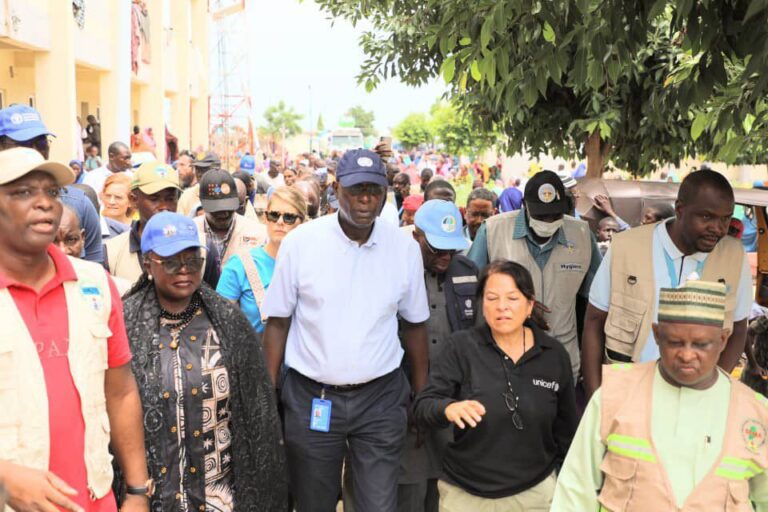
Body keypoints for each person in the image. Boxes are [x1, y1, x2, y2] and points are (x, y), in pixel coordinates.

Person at [262, 148, 429, 512]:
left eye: (374, 189)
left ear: (386, 191)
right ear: (336, 190)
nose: (366, 198)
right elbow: (277, 323)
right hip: (312, 398)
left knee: (379, 505)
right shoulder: (301, 244)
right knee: (313, 503)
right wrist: (269, 394)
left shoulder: (403, 247)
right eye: (356, 189)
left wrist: (421, 395)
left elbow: (415, 326)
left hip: (381, 399)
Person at [0, 147, 149, 512]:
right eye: (23, 192)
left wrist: (137, 492)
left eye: (51, 192)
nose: (45, 204)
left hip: (94, 499)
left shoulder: (95, 283)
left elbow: (121, 391)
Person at [552, 280, 768, 511]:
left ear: (723, 339)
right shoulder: (615, 395)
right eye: (675, 342)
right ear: (656, 334)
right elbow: (575, 490)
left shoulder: (754, 411)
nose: (686, 355)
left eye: (701, 344)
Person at [122, 212, 289, 511]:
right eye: (172, 261)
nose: (184, 269)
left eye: (193, 259)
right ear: (148, 263)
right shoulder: (124, 323)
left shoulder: (229, 322)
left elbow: (258, 418)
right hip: (148, 497)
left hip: (219, 497)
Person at [414, 260, 577, 511]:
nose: (502, 307)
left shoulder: (553, 355)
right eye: (492, 298)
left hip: (534, 494)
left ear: (529, 305)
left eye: (512, 298)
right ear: (482, 304)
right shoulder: (461, 347)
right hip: (465, 494)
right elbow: (424, 406)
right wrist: (448, 408)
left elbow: (566, 431)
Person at [582, 170, 751, 398]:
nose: (718, 228)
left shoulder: (734, 256)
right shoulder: (626, 247)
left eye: (725, 218)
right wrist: (595, 399)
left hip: (695, 402)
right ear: (680, 209)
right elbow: (593, 321)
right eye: (707, 217)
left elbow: (739, 329)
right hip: (626, 394)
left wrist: (711, 391)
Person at [468, 170, 601, 380]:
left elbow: (597, 298)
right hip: (505, 361)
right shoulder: (494, 231)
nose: (548, 222)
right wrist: (518, 304)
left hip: (562, 360)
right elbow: (471, 290)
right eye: (540, 215)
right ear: (525, 205)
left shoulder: (582, 235)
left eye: (554, 215)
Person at [398, 200, 479, 512]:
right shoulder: (397, 270)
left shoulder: (469, 272)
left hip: (453, 400)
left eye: (451, 250)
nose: (446, 257)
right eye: (437, 250)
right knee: (409, 486)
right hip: (405, 398)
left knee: (447, 489)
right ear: (417, 236)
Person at [217, 186, 307, 333]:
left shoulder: (311, 265)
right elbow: (220, 322)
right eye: (274, 215)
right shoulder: (239, 264)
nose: (280, 222)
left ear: (301, 222)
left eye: (288, 217)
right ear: (265, 218)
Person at [105, 161, 181, 284]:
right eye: (154, 199)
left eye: (170, 199)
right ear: (134, 200)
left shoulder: (200, 247)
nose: (164, 206)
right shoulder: (112, 252)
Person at [195, 169, 266, 288]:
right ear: (202, 202)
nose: (224, 214)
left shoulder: (258, 233)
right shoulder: (191, 232)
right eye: (216, 210)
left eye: (229, 208)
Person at [177, 151, 219, 216]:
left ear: (217, 170)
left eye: (204, 169)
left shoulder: (226, 192)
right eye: (197, 169)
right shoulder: (187, 196)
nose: (199, 173)